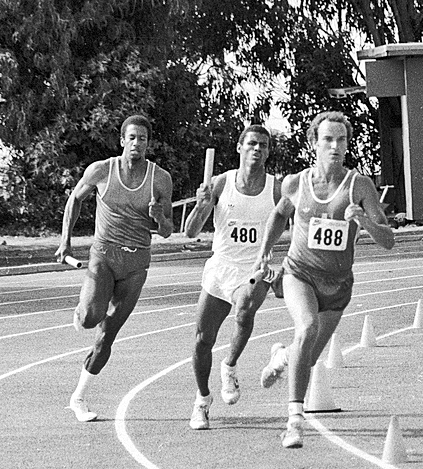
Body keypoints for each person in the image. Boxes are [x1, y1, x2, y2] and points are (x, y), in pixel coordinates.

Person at [253, 111, 395, 448]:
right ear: (314, 143)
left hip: (338, 286)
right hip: (299, 273)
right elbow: (279, 214)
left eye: (341, 140)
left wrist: (364, 220)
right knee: (307, 329)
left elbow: (388, 240)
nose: (335, 146)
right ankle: (295, 422)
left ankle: (283, 355)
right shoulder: (296, 183)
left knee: (308, 355)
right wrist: (265, 251)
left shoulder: (358, 185)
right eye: (327, 140)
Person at [55, 114, 174, 422]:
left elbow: (166, 231)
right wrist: (65, 242)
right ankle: (86, 307)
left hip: (137, 263)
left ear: (148, 143)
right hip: (104, 255)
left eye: (143, 139)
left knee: (107, 336)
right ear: (122, 140)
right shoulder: (102, 170)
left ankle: (78, 398)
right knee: (92, 318)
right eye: (131, 138)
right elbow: (74, 199)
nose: (137, 143)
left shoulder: (159, 179)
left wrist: (159, 217)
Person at [183, 125, 281, 430]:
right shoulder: (220, 183)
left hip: (254, 268)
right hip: (221, 266)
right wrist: (202, 204)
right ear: (239, 147)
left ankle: (230, 364)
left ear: (268, 151)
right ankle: (202, 400)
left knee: (244, 307)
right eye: (251, 144)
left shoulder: (275, 188)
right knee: (202, 341)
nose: (257, 150)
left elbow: (295, 219)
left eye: (263, 145)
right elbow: (190, 231)